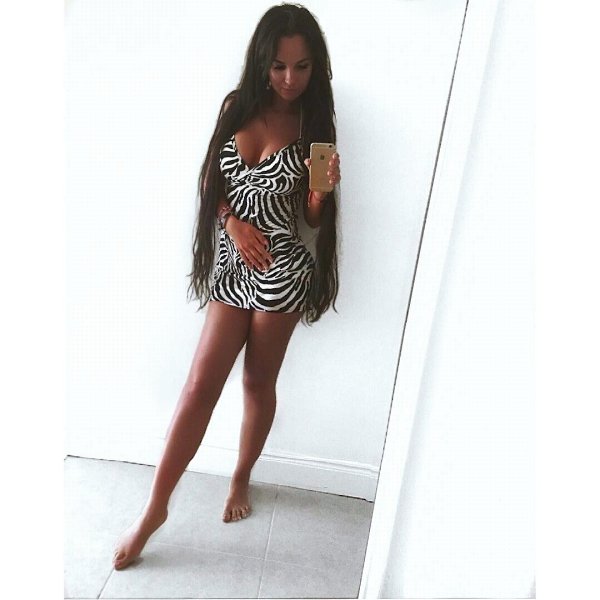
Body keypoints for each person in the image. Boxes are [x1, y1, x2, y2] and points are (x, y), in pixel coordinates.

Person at [112, 3, 341, 570]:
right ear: (262, 60)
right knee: (198, 387)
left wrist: (320, 194)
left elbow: (311, 221)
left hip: (282, 270)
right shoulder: (236, 107)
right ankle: (155, 509)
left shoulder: (314, 126)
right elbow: (214, 183)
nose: (290, 79)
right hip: (232, 268)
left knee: (257, 382)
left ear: (315, 67)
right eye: (279, 66)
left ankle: (240, 476)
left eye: (302, 67)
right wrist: (231, 222)